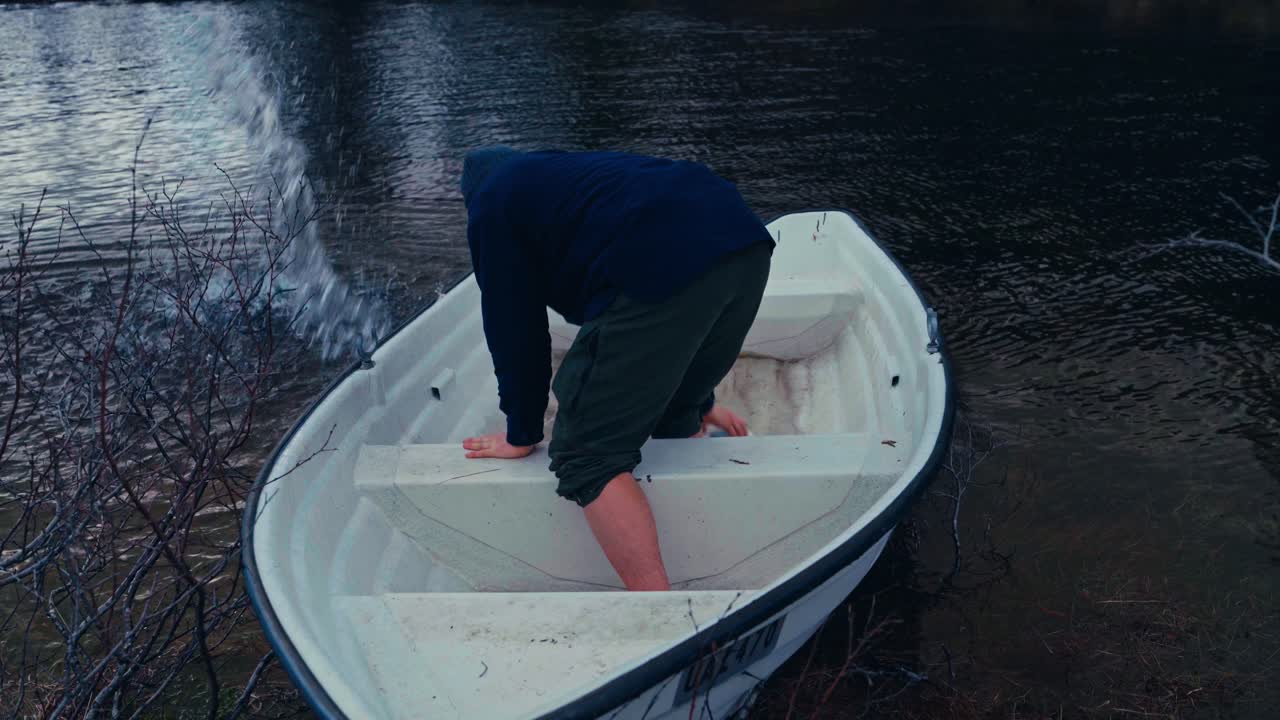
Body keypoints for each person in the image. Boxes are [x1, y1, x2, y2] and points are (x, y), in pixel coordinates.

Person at [458, 147, 773, 591]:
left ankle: (659, 612)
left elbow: (515, 328)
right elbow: (664, 336)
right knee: (670, 413)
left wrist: (521, 432)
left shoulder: (491, 206)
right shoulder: (566, 179)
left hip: (665, 256)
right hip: (744, 238)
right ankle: (689, 421)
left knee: (586, 452)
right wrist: (698, 401)